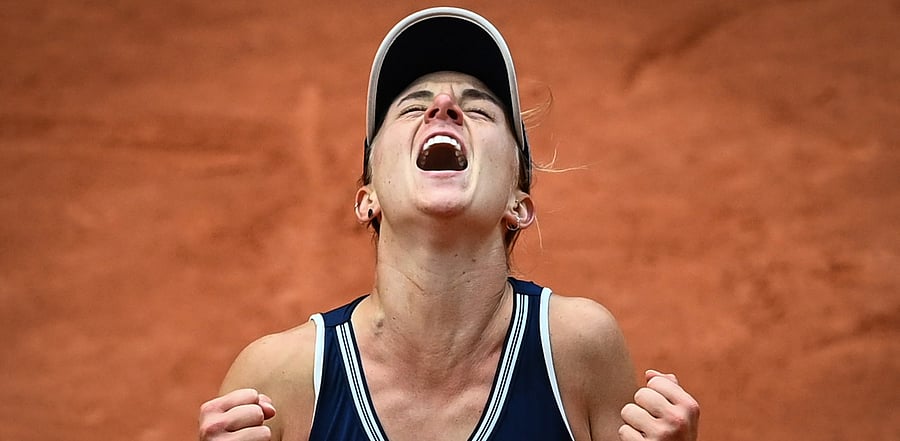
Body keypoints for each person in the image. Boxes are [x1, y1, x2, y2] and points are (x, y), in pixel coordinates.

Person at [199, 7, 700, 441]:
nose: (443, 108)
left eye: (479, 110)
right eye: (413, 107)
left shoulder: (578, 350)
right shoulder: (279, 380)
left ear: (518, 203)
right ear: (367, 199)